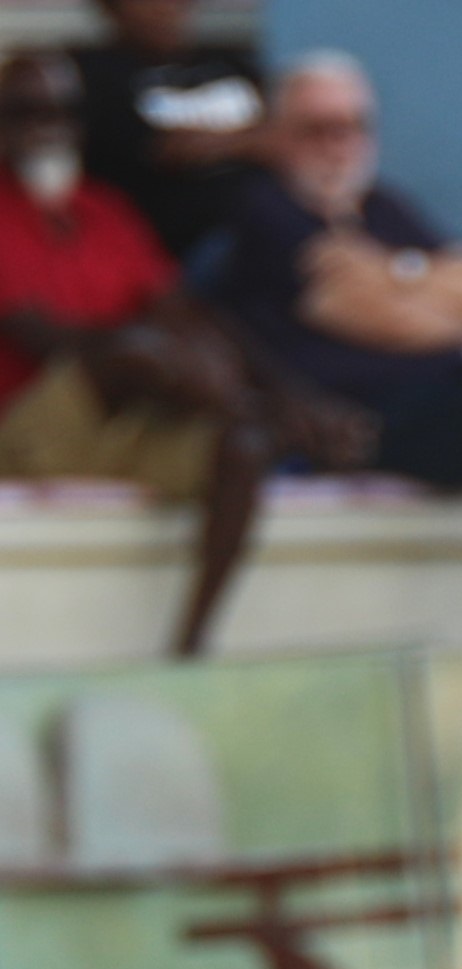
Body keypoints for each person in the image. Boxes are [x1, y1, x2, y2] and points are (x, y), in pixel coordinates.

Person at [0, 50, 302, 657]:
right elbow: (43, 335)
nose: (46, 126)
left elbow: (182, 311)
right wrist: (163, 360)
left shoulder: (106, 210)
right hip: (26, 426)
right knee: (136, 352)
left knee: (245, 442)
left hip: (124, 419)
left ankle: (190, 645)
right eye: (25, 111)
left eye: (63, 111)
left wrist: (283, 393)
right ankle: (234, 400)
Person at [209, 55, 462, 493]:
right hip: (371, 415)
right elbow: (368, 314)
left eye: (352, 127)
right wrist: (458, 316)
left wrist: (394, 274)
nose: (337, 144)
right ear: (279, 135)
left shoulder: (382, 206)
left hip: (451, 384)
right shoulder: (270, 209)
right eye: (317, 129)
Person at [73, 0, 266, 261]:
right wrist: (255, 140)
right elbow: (169, 150)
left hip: (272, 222)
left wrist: (215, 144)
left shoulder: (231, 61)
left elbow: (289, 133)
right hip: (180, 247)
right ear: (113, 8)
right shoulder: (93, 73)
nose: (169, 7)